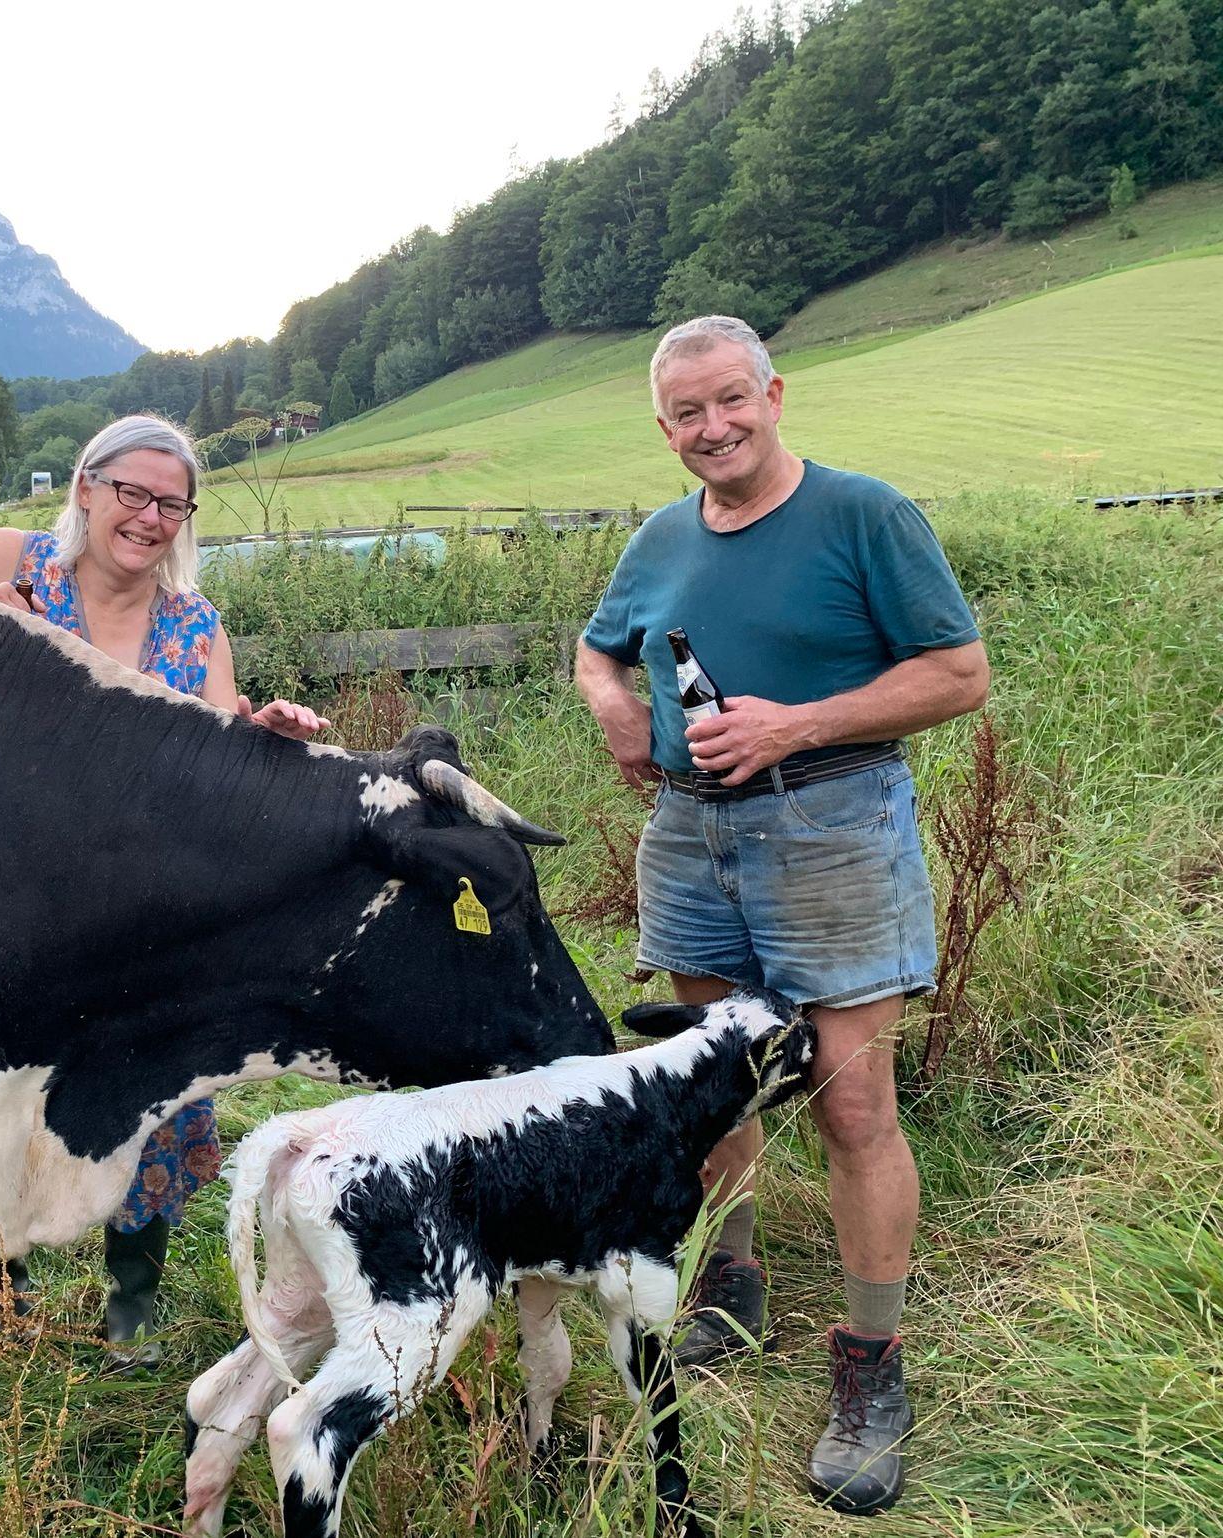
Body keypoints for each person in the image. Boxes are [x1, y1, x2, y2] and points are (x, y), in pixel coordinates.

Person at [573, 315, 989, 1515]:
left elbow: (958, 674)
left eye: (728, 400)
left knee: (852, 1104)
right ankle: (730, 1283)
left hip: (833, 826)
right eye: (684, 414)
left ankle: (869, 1367)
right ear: (663, 427)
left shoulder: (864, 515)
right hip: (689, 836)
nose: (711, 428)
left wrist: (793, 723)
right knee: (713, 1079)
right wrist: (613, 703)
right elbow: (595, 652)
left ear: (772, 393)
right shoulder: (658, 538)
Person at [0, 413, 329, 1361]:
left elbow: (216, 760)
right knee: (0, 1099)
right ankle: (1, 1291)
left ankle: (132, 1306)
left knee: (158, 1092)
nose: (149, 517)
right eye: (132, 491)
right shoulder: (19, 566)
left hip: (139, 909)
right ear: (87, 487)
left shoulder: (194, 624)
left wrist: (265, 739)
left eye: (171, 503)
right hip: (1, 900)